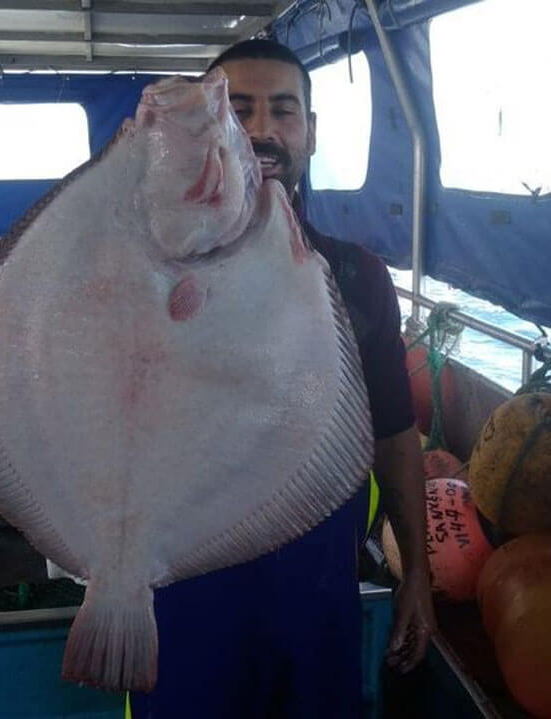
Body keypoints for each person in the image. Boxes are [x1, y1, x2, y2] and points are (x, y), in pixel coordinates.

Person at [130, 39, 435, 719]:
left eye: (283, 111)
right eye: (236, 111)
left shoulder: (358, 277)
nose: (262, 131)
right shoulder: (146, 264)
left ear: (312, 132)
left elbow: (395, 433)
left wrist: (418, 571)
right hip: (182, 606)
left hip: (318, 605)